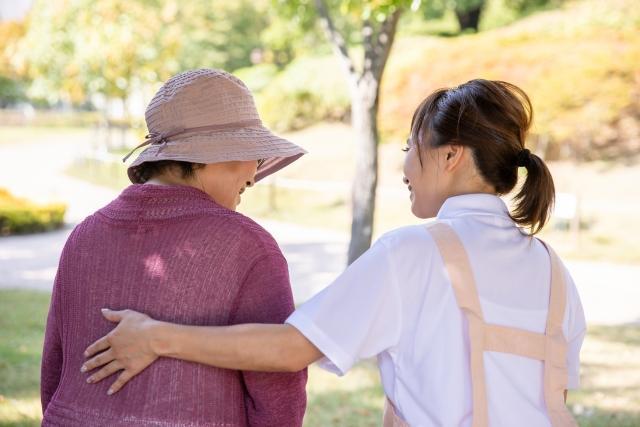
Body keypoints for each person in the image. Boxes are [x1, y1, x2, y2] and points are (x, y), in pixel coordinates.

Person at [81, 79, 586, 426]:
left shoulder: (413, 253)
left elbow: (290, 349)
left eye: (410, 147)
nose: (404, 165)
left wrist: (155, 338)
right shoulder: (555, 273)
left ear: (451, 155)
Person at [40, 69, 308, 426]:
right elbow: (277, 388)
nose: (254, 174)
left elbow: (55, 370)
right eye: (252, 154)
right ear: (215, 156)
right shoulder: (248, 247)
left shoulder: (85, 234)